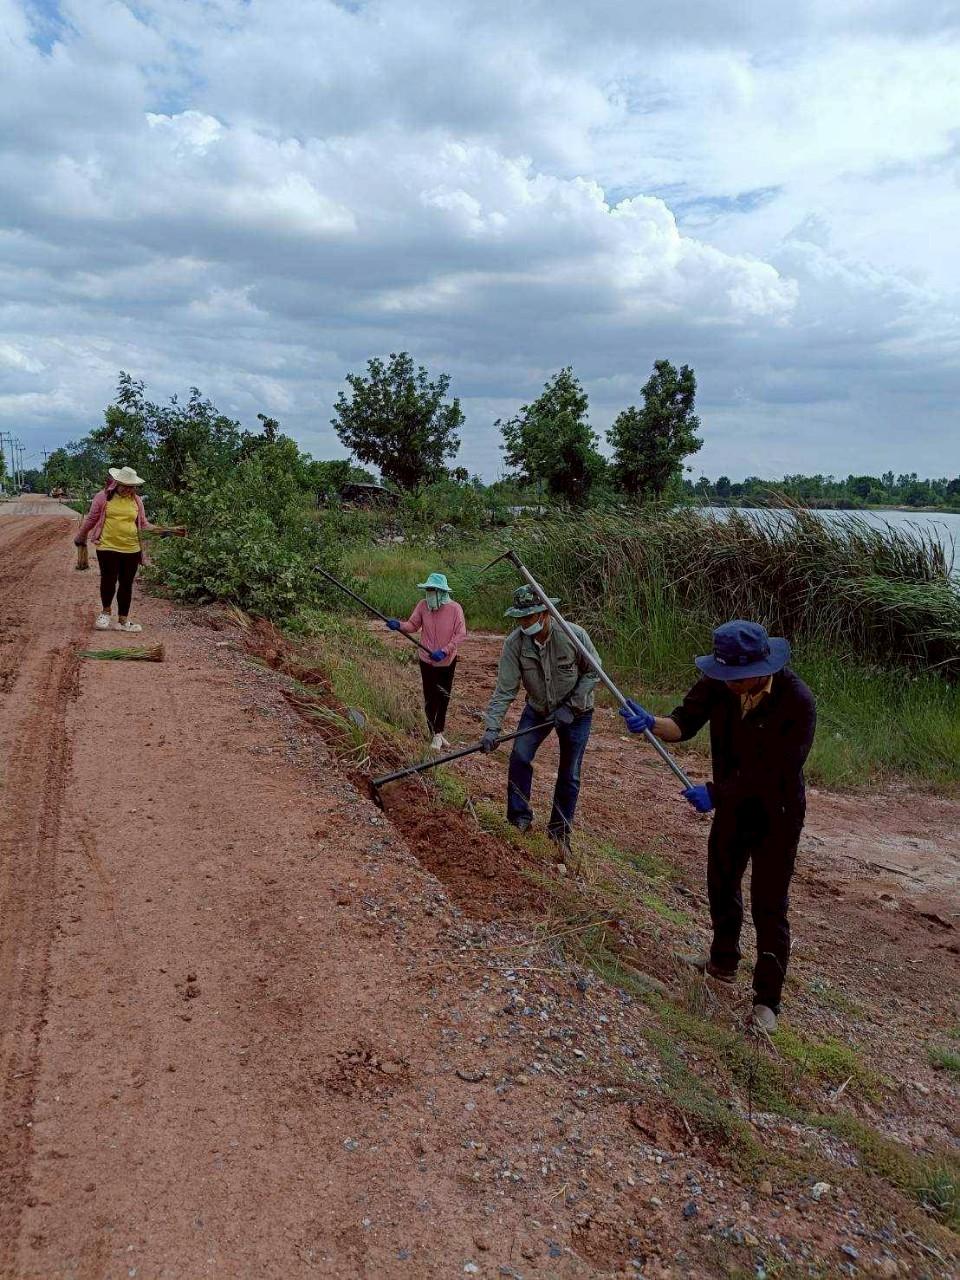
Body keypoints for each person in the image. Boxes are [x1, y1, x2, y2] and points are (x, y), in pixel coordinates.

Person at [621, 620, 816, 1034]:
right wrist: (651, 722)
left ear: (761, 669)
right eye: (724, 676)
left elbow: (774, 773)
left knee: (769, 903)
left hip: (777, 813)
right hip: (733, 808)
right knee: (722, 882)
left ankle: (767, 1001)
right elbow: (684, 723)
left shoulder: (797, 702)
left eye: (737, 678)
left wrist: (716, 793)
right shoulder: (720, 682)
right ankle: (722, 961)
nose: (728, 684)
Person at [481, 585, 600, 856]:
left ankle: (559, 833)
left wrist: (571, 706)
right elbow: (505, 690)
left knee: (569, 772)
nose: (524, 623)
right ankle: (518, 819)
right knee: (519, 757)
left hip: (577, 712)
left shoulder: (573, 634)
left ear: (545, 613)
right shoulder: (514, 644)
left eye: (529, 617)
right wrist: (492, 728)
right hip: (538, 708)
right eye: (520, 618)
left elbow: (594, 671)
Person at [74, 466, 184, 632]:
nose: (128, 489)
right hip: (107, 546)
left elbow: (144, 524)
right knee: (108, 579)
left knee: (126, 583)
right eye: (125, 486)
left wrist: (165, 531)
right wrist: (81, 536)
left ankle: (123, 620)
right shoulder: (103, 497)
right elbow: (91, 519)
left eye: (131, 486)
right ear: (117, 483)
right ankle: (105, 613)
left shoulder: (137, 501)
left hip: (132, 549)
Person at [386, 573, 467, 751]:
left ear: (442, 592)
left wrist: (445, 650)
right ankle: (434, 733)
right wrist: (398, 625)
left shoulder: (455, 609)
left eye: (433, 590)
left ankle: (438, 732)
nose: (429, 593)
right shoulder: (423, 606)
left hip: (446, 661)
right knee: (430, 697)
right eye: (428, 590)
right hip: (426, 659)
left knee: (443, 696)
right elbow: (413, 625)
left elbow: (461, 634)